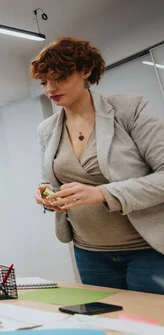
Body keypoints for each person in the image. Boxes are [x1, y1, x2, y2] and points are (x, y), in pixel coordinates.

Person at [32, 37, 164, 294]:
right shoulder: (47, 129)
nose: (50, 89)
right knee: (107, 326)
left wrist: (103, 193)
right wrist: (45, 193)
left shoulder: (129, 110)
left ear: (86, 70)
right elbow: (48, 181)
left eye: (59, 78)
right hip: (89, 252)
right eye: (44, 82)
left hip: (146, 249)